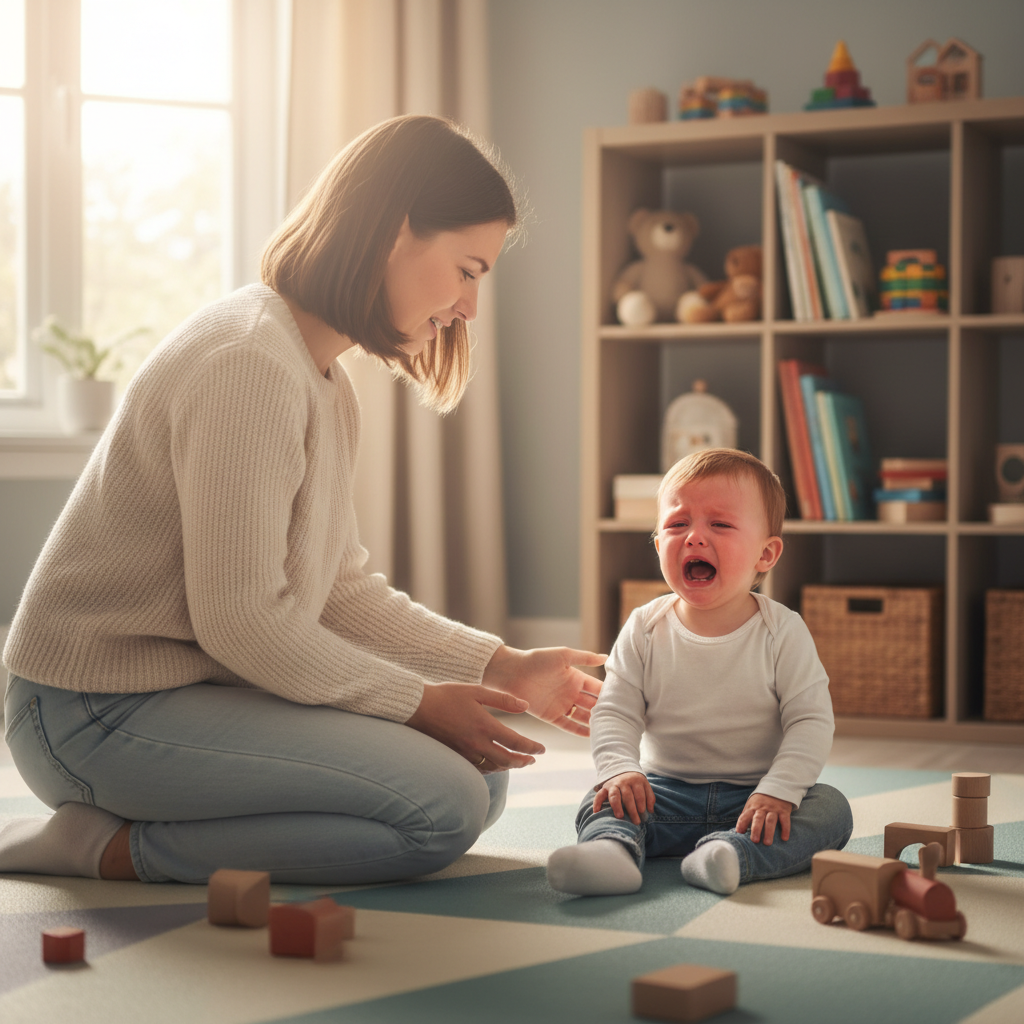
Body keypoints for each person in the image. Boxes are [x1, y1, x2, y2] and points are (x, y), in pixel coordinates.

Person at [0, 115, 603, 886]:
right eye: (468, 270)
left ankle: (143, 819)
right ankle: (102, 847)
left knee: (475, 779)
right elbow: (242, 620)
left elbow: (339, 591)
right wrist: (416, 703)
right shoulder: (248, 361)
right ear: (394, 231)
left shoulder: (319, 376)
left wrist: (506, 665)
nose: (468, 308)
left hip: (176, 693)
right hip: (89, 713)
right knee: (443, 808)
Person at [546, 448, 852, 897]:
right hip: (662, 797)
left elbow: (810, 720)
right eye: (676, 524)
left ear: (766, 554)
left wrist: (780, 790)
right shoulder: (645, 628)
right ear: (657, 544)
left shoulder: (782, 631)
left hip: (755, 801)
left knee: (831, 809)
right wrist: (619, 770)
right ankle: (612, 853)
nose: (693, 537)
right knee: (602, 802)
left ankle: (730, 855)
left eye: (721, 525)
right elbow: (616, 711)